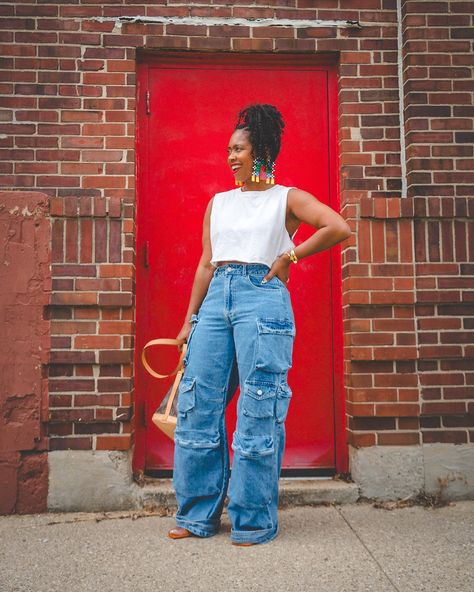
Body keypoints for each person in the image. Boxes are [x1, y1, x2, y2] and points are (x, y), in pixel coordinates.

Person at [168, 103, 351, 546]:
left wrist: (289, 254)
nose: (230, 157)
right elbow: (206, 263)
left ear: (261, 150)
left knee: (258, 406)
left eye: (239, 149)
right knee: (197, 405)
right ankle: (196, 517)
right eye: (228, 149)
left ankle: (252, 520)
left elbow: (337, 226)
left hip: (261, 298)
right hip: (216, 300)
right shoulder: (219, 202)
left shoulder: (286, 198)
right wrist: (189, 320)